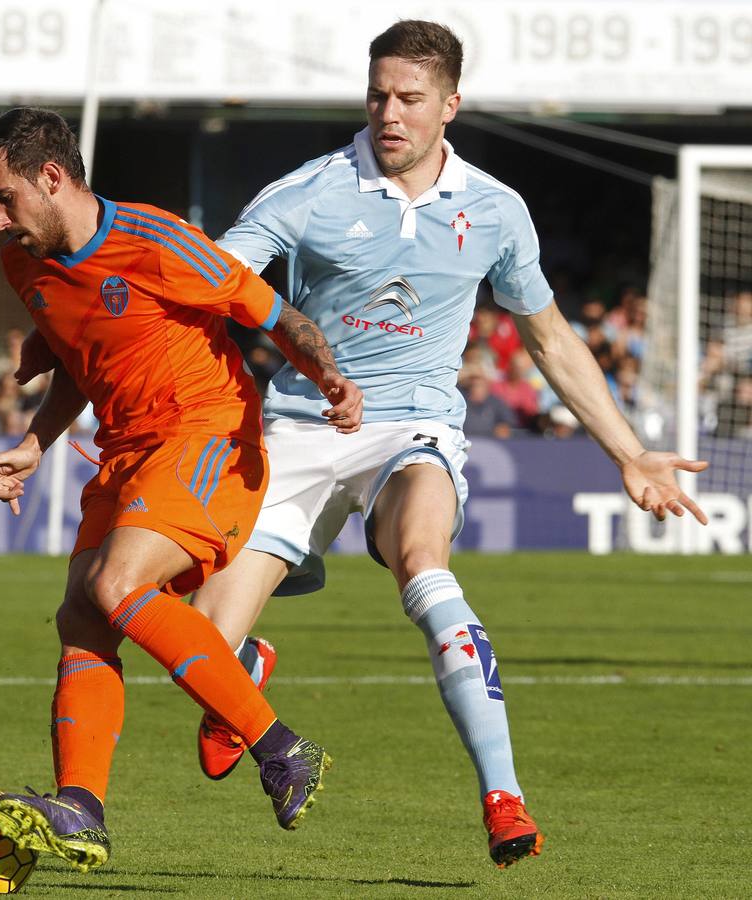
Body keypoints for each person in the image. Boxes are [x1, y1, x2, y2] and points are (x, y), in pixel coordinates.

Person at [175, 19, 709, 869]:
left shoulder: (496, 209)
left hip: (414, 426)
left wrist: (628, 452)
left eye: (410, 98)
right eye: (378, 95)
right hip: (299, 428)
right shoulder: (305, 192)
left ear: (449, 105)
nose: (390, 113)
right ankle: (244, 655)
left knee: (425, 561)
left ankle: (503, 797)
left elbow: (552, 342)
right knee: (196, 639)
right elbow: (204, 291)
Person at [0, 107, 363, 875]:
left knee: (117, 584)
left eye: (5, 197)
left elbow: (271, 313)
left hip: (208, 435)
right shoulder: (26, 263)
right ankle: (81, 806)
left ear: (52, 178)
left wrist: (330, 379)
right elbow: (83, 362)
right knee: (81, 615)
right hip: (123, 452)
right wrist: (35, 445)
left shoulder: (156, 240)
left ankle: (281, 747)